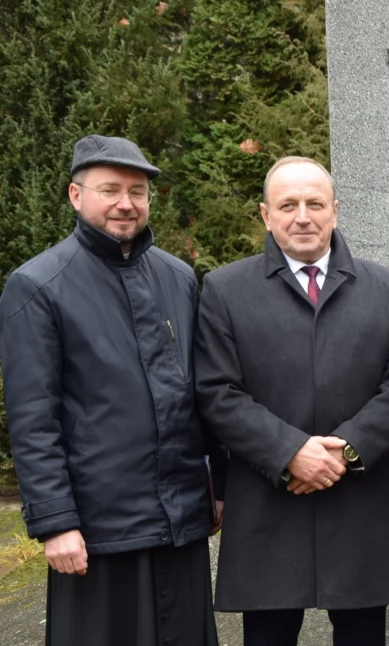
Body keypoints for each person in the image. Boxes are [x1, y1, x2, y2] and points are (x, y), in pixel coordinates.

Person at [0, 135, 222, 646]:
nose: (126, 203)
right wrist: (55, 523)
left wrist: (218, 488)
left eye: (137, 192)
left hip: (181, 520)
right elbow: (33, 418)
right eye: (110, 190)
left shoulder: (178, 277)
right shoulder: (38, 285)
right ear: (76, 196)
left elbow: (203, 394)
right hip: (98, 529)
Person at [194, 156, 389, 645]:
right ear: (266, 215)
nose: (303, 216)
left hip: (359, 501)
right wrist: (290, 453)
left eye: (315, 204)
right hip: (270, 503)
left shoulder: (383, 288)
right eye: (288, 205)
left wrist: (346, 450)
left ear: (335, 211)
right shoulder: (225, 289)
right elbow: (217, 391)